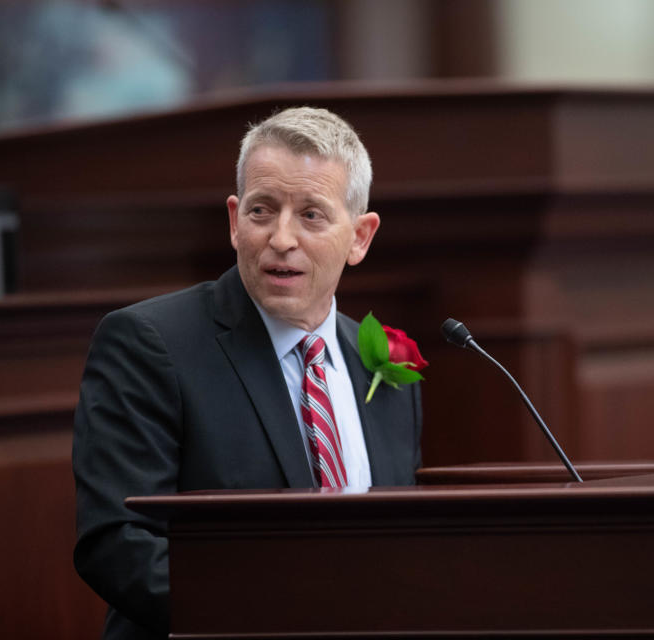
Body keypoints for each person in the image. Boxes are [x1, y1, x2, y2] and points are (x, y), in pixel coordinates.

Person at [72, 107, 423, 640]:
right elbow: (118, 541)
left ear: (360, 237)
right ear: (235, 222)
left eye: (311, 214)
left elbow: (401, 544)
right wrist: (287, 622)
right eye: (263, 211)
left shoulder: (384, 366)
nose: (282, 238)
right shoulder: (149, 343)